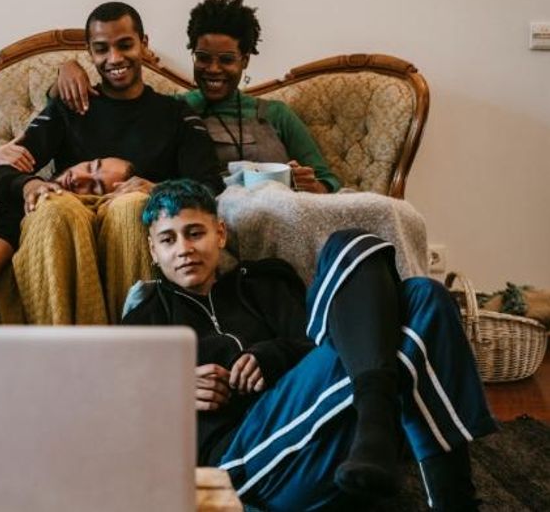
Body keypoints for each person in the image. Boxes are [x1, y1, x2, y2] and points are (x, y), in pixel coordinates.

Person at [122, 180, 496, 511]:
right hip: (244, 463)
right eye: (168, 240)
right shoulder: (144, 321)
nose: (184, 249)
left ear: (220, 234)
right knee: (412, 314)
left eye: (195, 233)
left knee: (418, 289)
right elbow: (117, 415)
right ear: (153, 251)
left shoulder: (264, 283)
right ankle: (380, 421)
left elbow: (311, 341)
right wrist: (174, 389)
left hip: (330, 438)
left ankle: (434, 481)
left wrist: (271, 355)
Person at [0, 1, 223, 325]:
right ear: (90, 52)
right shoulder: (69, 108)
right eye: (101, 49)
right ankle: (59, 350)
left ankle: (131, 347)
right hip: (70, 213)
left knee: (131, 206)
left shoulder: (175, 114)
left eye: (125, 45)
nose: (114, 58)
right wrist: (29, 184)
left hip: (131, 213)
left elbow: (209, 185)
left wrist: (159, 188)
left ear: (144, 44)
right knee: (52, 208)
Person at [54, 0, 341, 193]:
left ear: (244, 60)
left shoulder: (275, 114)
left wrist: (311, 185)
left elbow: (329, 182)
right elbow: (98, 120)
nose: (213, 69)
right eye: (203, 58)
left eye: (226, 60)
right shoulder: (173, 112)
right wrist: (65, 70)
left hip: (279, 214)